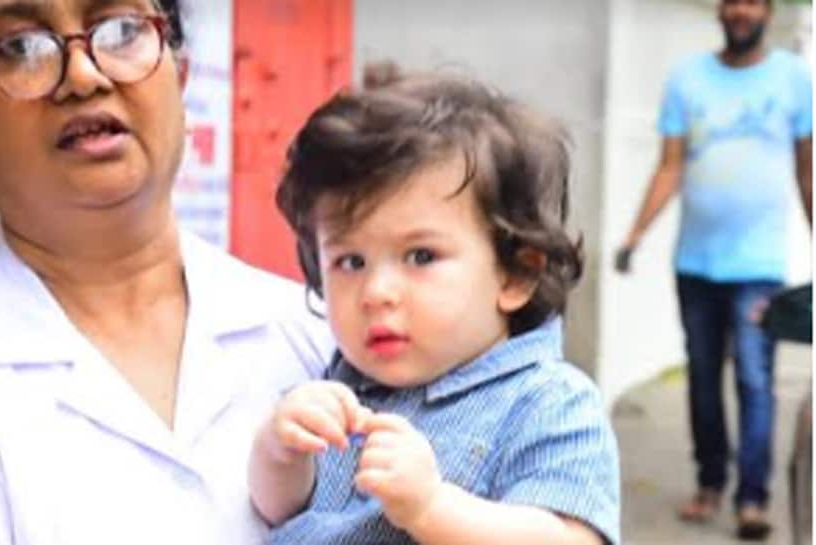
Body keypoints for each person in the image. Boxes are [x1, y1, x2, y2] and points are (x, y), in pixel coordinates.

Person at [0, 1, 335, 544]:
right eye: (20, 46)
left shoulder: (320, 334)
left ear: (181, 71)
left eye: (123, 29)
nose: (83, 75)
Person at [248, 74, 621, 545]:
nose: (376, 292)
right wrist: (280, 454)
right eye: (350, 261)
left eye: (421, 256)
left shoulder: (548, 401)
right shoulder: (338, 387)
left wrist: (431, 508)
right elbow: (281, 510)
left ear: (515, 274)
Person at [614, 0, 812, 539]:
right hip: (696, 264)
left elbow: (806, 171)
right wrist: (635, 235)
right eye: (732, 1)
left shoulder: (795, 80)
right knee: (703, 380)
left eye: (751, 1)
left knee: (754, 378)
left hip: (759, 266)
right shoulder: (687, 79)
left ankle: (753, 499)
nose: (740, 11)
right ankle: (709, 483)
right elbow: (670, 165)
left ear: (768, 10)